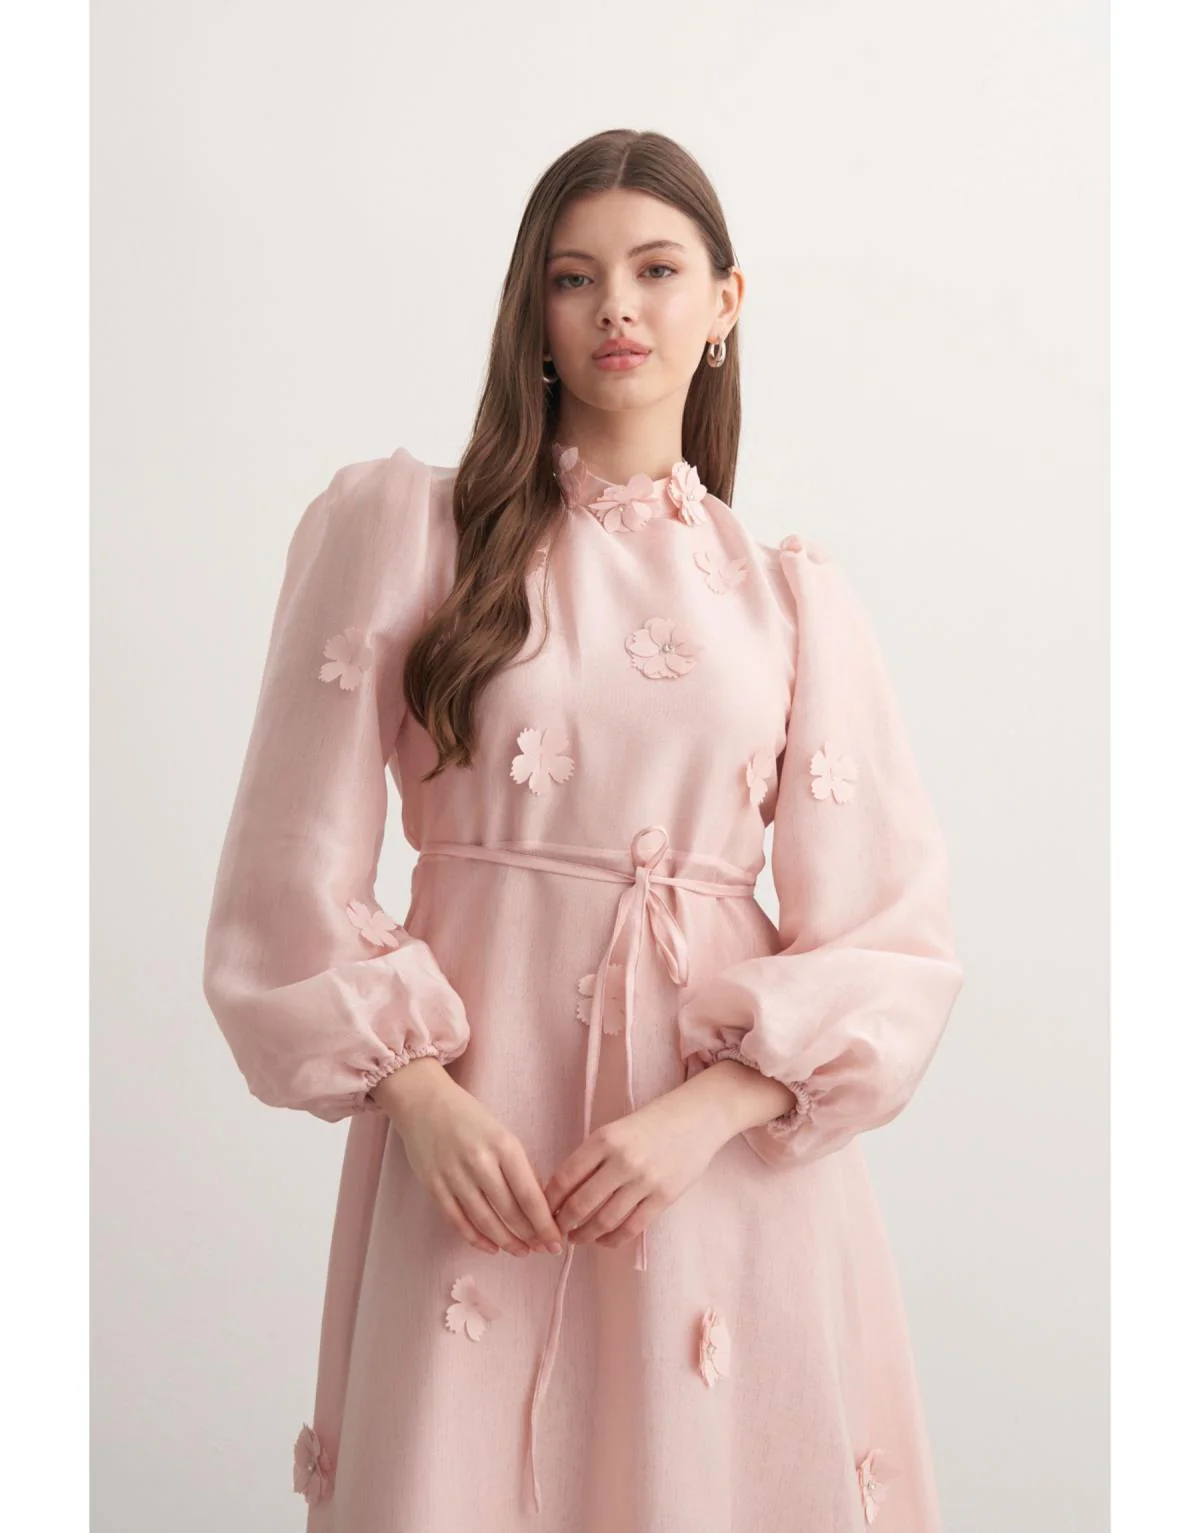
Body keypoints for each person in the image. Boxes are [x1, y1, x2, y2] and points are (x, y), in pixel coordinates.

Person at [202, 127, 966, 1533]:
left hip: (712, 1171)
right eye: (575, 276)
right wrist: (417, 1095)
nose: (617, 306)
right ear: (535, 311)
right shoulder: (413, 533)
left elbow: (891, 937)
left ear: (725, 304)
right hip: (480, 1140)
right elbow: (281, 875)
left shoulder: (790, 599)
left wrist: (709, 1112)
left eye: (657, 270)